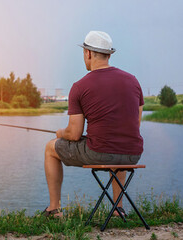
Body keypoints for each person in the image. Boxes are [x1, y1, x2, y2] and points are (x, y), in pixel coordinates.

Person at [42, 31, 144, 218]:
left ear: (88, 53)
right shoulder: (133, 81)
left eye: (84, 53)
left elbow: (74, 133)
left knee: (50, 148)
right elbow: (135, 123)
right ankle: (118, 208)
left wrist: (60, 133)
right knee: (117, 144)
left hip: (100, 152)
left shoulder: (80, 86)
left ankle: (54, 209)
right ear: (109, 54)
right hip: (133, 154)